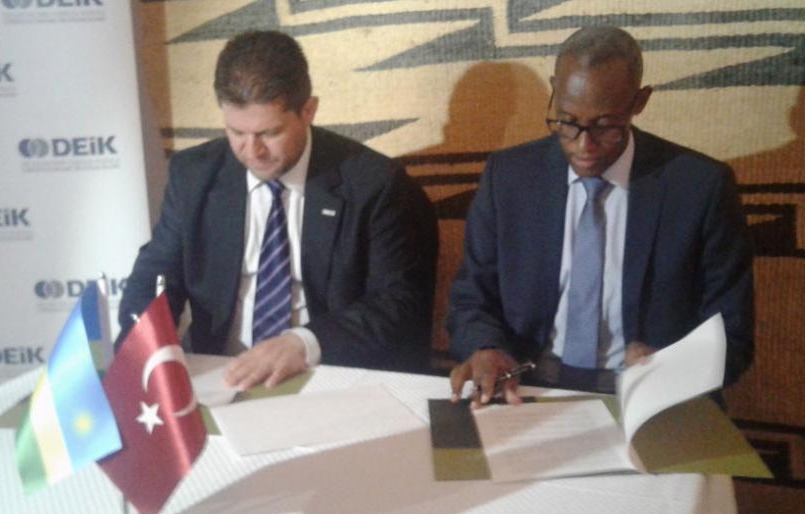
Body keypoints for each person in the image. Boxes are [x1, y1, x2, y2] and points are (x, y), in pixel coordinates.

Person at [447, 26, 754, 405]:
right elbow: (471, 296)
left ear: (639, 102)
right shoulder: (509, 177)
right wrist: (485, 346)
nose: (583, 145)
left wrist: (674, 366)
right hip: (526, 387)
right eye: (567, 120)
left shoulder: (699, 188)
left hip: (655, 397)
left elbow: (733, 333)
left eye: (606, 126)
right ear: (555, 89)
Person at [118, 30, 437, 389]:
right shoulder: (194, 175)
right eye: (236, 132)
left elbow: (399, 303)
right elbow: (158, 272)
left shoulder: (374, 184)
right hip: (221, 374)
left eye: (269, 133)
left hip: (328, 375)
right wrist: (142, 344)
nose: (251, 152)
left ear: (308, 110)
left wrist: (304, 343)